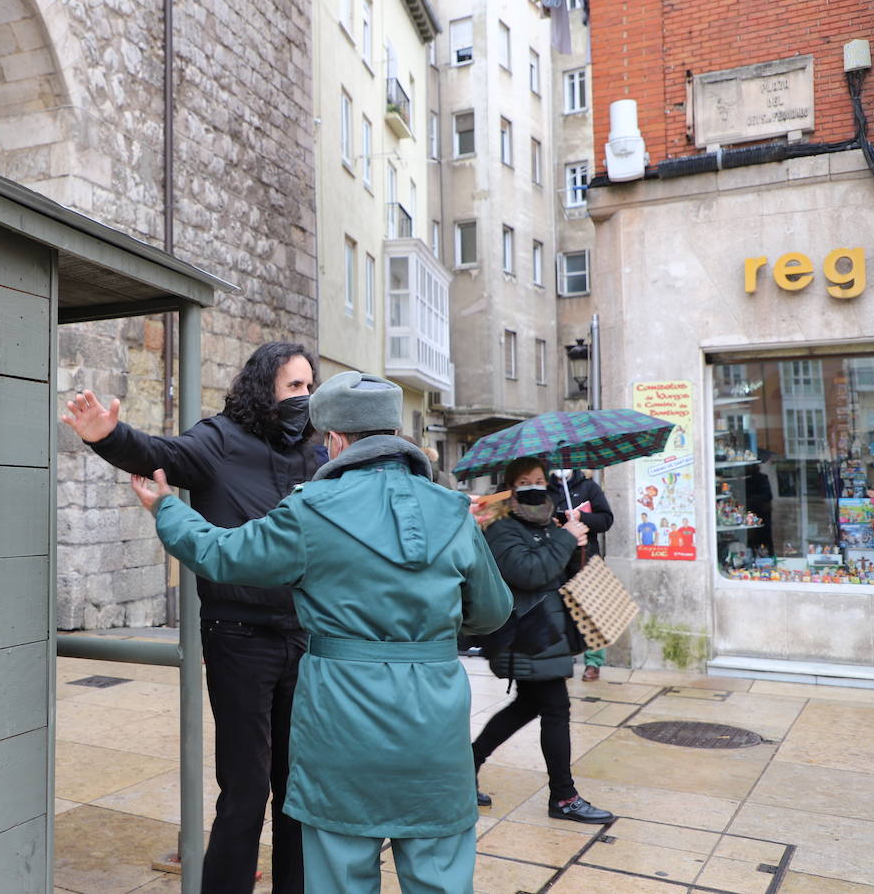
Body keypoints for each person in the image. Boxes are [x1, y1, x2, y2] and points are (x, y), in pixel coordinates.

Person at [130, 371, 513, 894]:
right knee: (440, 876)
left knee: (340, 874)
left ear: (334, 438)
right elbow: (492, 611)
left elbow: (220, 554)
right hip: (435, 725)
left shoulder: (310, 510)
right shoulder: (452, 510)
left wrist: (167, 507)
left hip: (342, 721)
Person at [61, 342, 325, 894]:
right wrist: (108, 437)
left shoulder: (316, 452)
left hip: (303, 636)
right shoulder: (221, 439)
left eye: (309, 387)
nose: (304, 397)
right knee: (247, 788)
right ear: (263, 387)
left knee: (298, 786)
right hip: (239, 638)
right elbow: (161, 453)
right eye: (293, 386)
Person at [472, 456, 614, 825]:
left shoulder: (551, 521)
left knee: (528, 707)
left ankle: (466, 767)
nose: (534, 484)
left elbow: (567, 573)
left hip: (548, 631)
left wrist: (577, 539)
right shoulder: (500, 528)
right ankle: (564, 797)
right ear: (511, 486)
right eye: (525, 480)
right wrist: (564, 538)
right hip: (525, 632)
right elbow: (530, 573)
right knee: (554, 710)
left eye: (539, 478)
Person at [547, 468, 614, 681]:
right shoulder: (546, 491)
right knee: (560, 611)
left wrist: (581, 516)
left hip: (586, 558)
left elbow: (605, 520)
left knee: (592, 611)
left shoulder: (589, 487)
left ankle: (593, 662)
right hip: (557, 560)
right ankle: (564, 658)